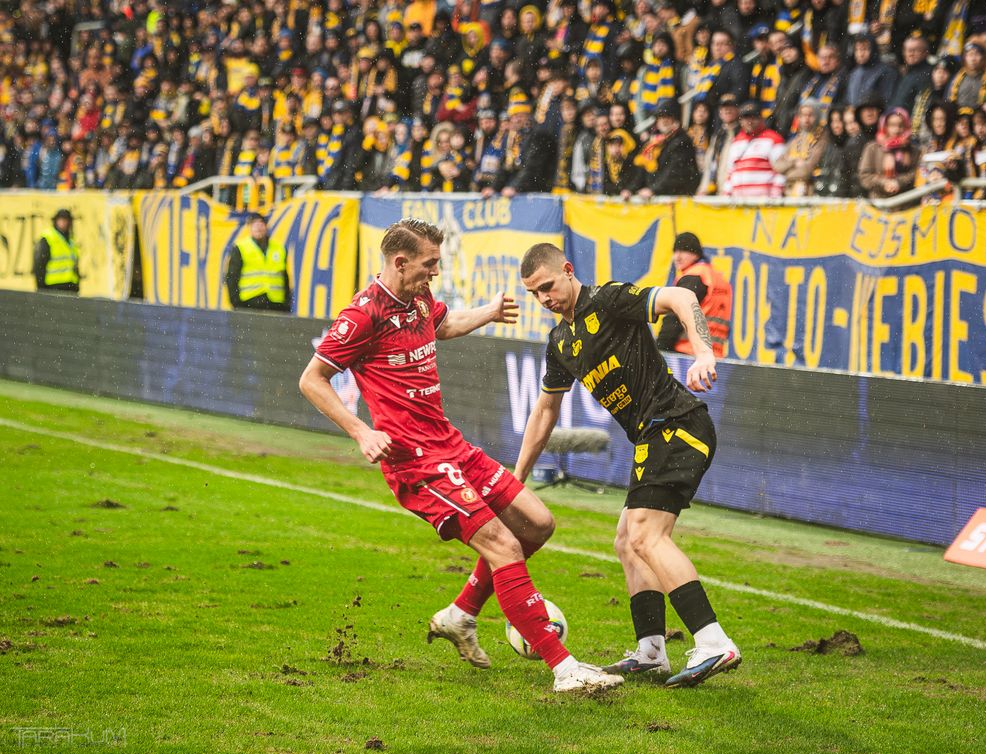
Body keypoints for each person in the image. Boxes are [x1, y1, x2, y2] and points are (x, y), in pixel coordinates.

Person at [299, 219, 622, 694]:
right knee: (504, 546)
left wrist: (489, 313)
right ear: (400, 261)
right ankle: (565, 669)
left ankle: (460, 615)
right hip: (415, 461)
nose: (436, 271)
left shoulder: (419, 299)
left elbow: (443, 324)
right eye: (429, 264)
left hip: (450, 443)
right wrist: (362, 431)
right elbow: (312, 379)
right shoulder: (362, 315)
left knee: (536, 524)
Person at [515, 243, 741, 689]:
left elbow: (683, 298)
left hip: (677, 424)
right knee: (626, 539)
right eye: (534, 293)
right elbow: (544, 412)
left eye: (547, 286)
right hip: (651, 437)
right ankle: (651, 651)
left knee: (644, 534)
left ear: (567, 270)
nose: (543, 299)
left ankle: (714, 641)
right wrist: (515, 479)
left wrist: (703, 353)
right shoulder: (560, 342)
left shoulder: (609, 299)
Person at [655, 232, 731, 359]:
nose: (677, 257)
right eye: (675, 251)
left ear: (696, 254)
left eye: (684, 251)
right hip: (713, 356)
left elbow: (675, 317)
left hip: (686, 354)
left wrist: (660, 350)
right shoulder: (720, 279)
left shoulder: (693, 277)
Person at [225, 213, 292, 312]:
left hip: (276, 304)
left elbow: (285, 279)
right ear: (250, 228)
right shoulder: (241, 248)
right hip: (249, 302)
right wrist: (236, 303)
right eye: (254, 225)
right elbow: (232, 277)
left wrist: (286, 304)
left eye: (261, 224)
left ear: (266, 226)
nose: (258, 228)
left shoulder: (279, 248)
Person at [34, 209, 80, 294]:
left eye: (66, 220)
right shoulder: (48, 238)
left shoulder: (71, 242)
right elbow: (39, 265)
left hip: (70, 287)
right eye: (61, 219)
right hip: (53, 287)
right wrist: (41, 288)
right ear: (55, 221)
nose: (63, 222)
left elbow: (75, 266)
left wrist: (77, 286)